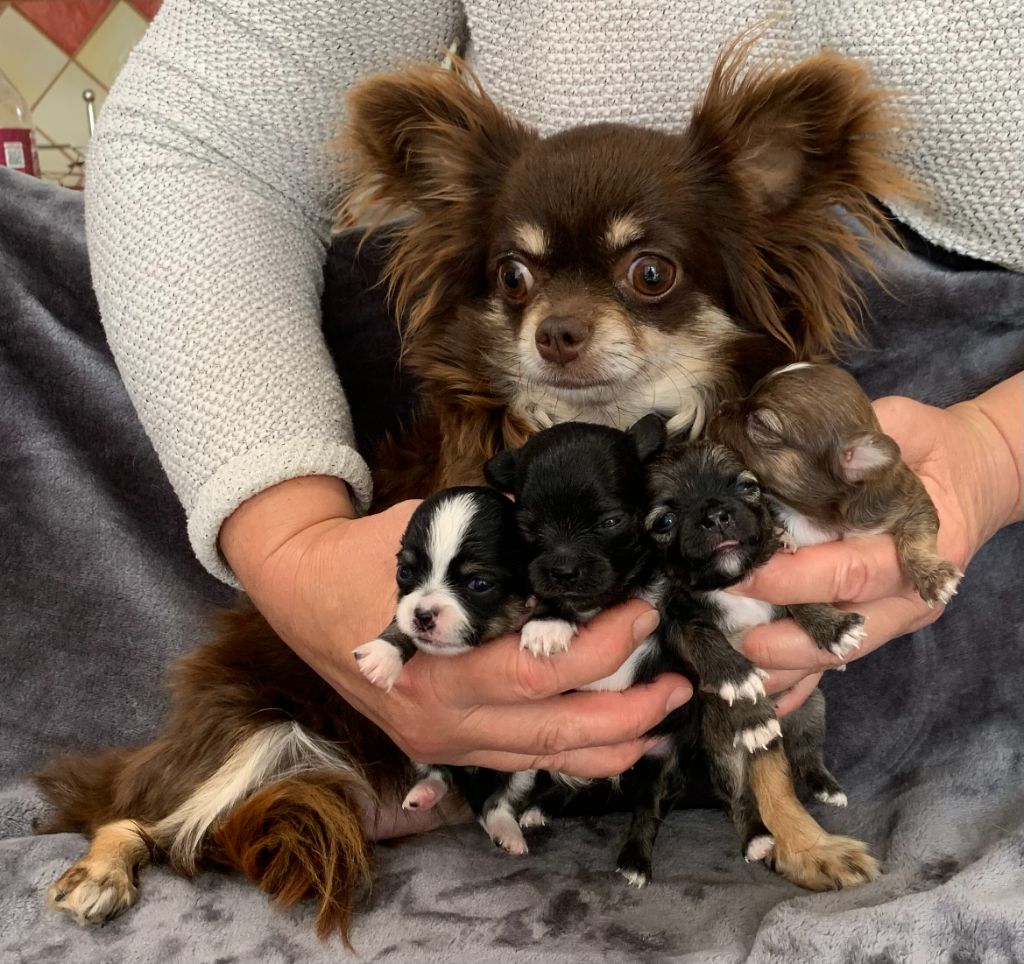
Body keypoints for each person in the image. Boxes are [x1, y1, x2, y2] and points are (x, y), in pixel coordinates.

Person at [85, 1, 1023, 831]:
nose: (560, 323)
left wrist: (997, 453)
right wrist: (294, 554)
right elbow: (199, 137)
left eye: (647, 275)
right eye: (518, 278)